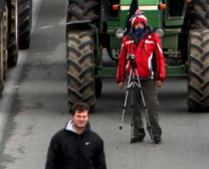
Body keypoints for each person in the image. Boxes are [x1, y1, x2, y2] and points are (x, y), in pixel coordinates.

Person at [117, 12, 165, 144]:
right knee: (135, 107)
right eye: (136, 23)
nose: (139, 26)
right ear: (133, 25)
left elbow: (160, 58)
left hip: (148, 77)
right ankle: (138, 133)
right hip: (133, 77)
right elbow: (122, 59)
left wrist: (160, 77)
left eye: (141, 23)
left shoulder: (153, 38)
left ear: (145, 24)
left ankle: (155, 133)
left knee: (151, 106)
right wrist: (120, 78)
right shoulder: (127, 39)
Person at [44, 102, 107, 169]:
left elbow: (101, 165)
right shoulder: (59, 138)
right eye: (78, 116)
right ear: (73, 116)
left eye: (84, 116)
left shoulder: (96, 140)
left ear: (88, 117)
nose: (81, 119)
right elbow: (51, 163)